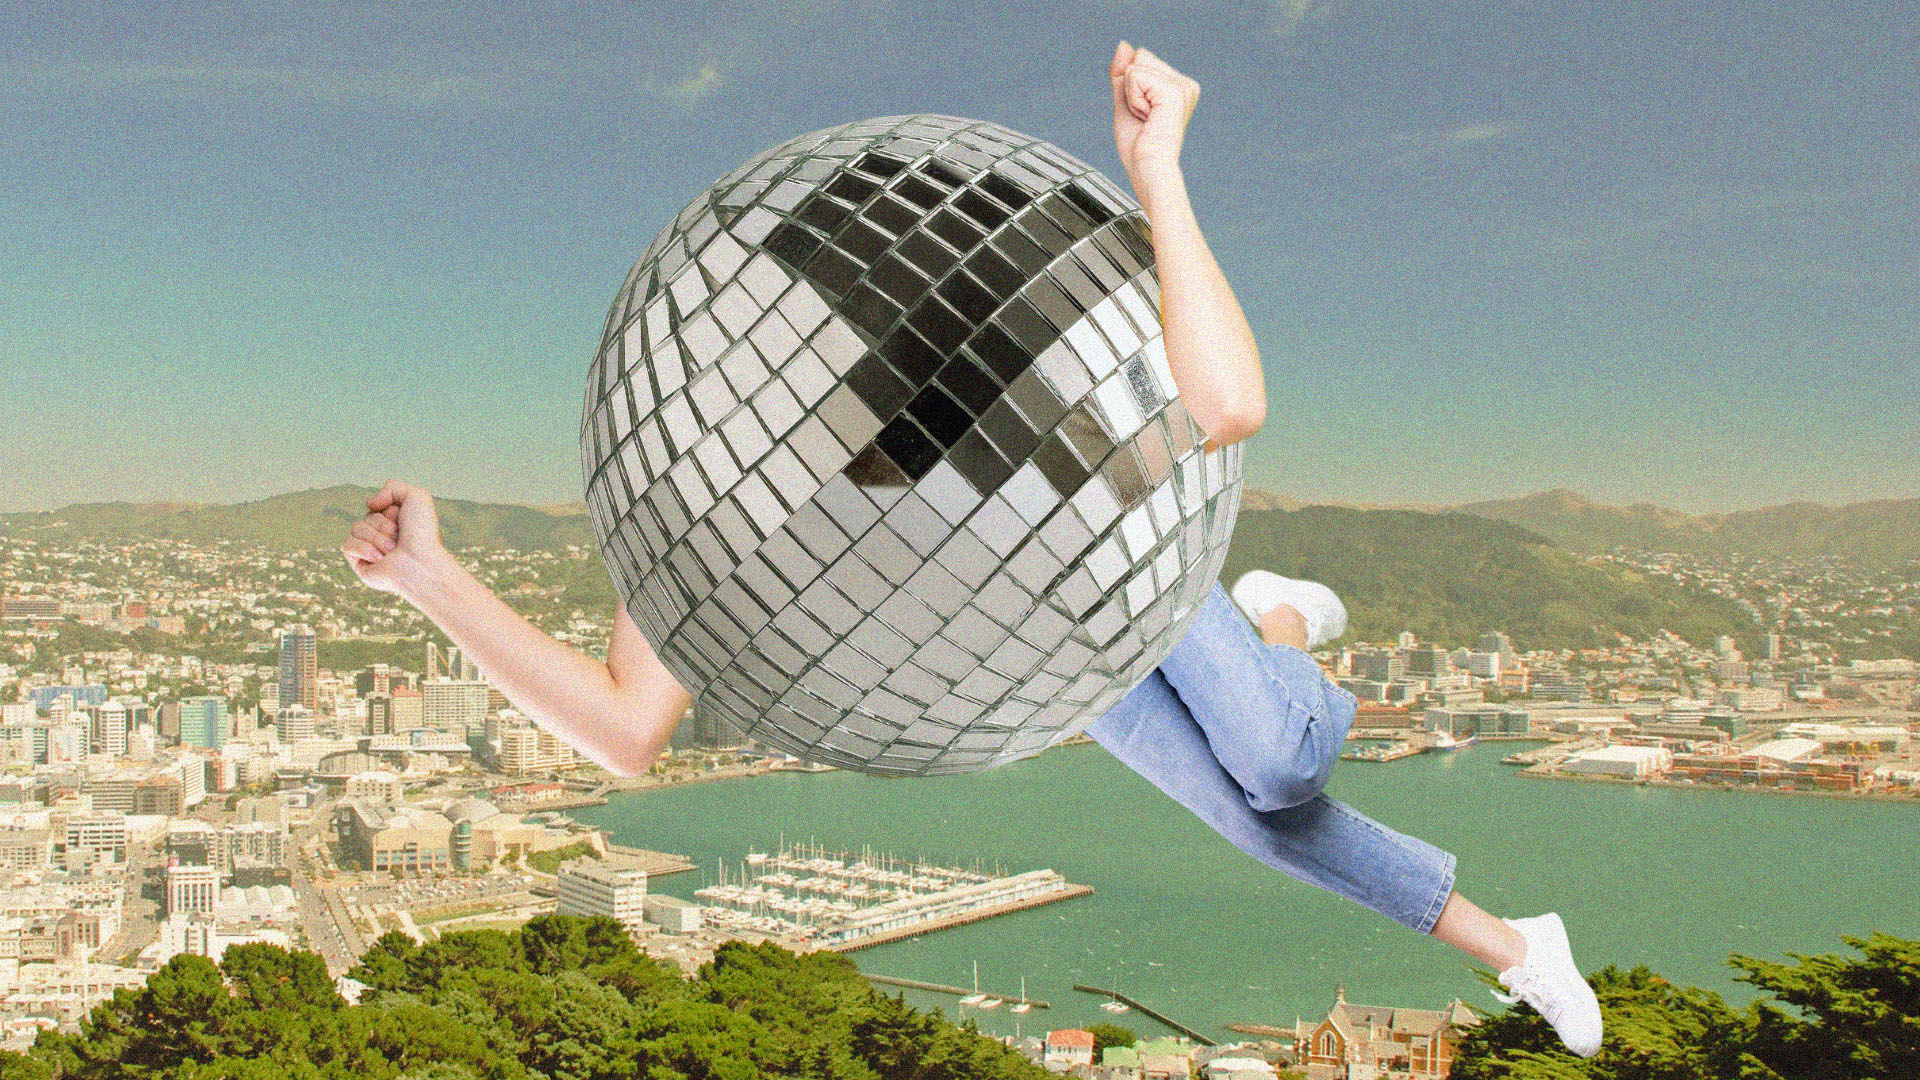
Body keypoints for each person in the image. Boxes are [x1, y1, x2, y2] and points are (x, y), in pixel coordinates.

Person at [341, 41, 1603, 1058]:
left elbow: (1228, 409)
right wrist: (427, 579)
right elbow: (626, 728)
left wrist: (1157, 168)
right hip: (1053, 668)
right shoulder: (717, 495)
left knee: (1279, 761)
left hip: (1132, 574)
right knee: (1264, 821)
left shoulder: (987, 352)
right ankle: (1513, 943)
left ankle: (1273, 623)